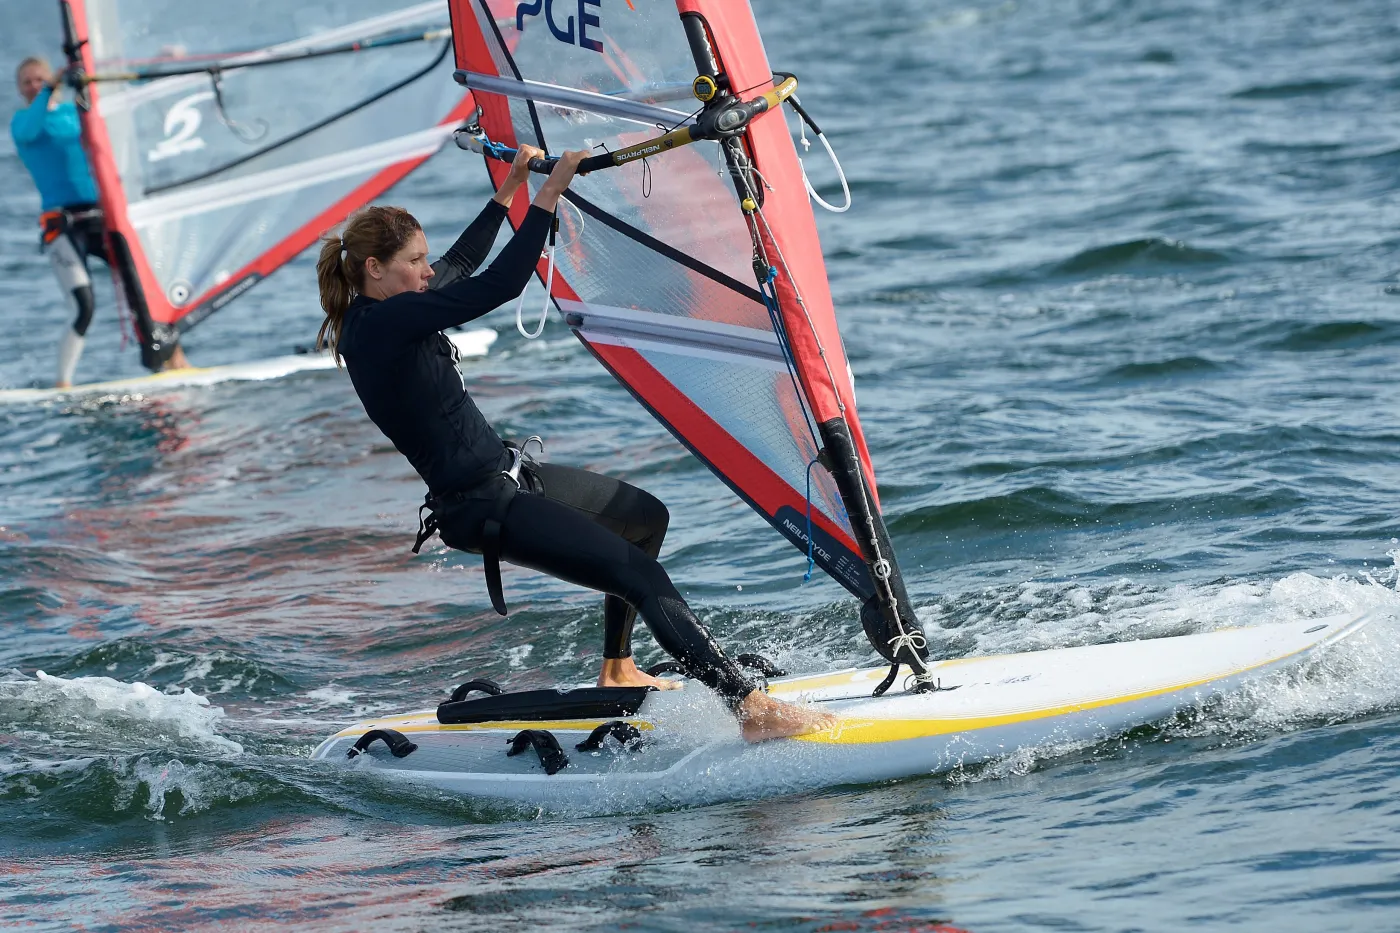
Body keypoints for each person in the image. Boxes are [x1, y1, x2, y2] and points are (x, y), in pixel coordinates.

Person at [315, 146, 835, 742]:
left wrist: (508, 189)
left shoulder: (391, 309)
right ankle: (749, 710)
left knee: (643, 519)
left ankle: (618, 667)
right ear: (375, 269)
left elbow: (459, 264)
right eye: (415, 261)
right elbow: (500, 285)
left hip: (507, 477)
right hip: (481, 506)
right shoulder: (381, 327)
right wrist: (549, 193)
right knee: (642, 577)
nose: (428, 271)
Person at [11, 56, 189, 387]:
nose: (34, 86)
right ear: (20, 89)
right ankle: (63, 383)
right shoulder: (22, 123)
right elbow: (33, 127)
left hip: (103, 217)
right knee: (84, 306)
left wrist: (156, 68)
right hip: (63, 227)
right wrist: (50, 87)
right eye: (27, 82)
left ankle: (173, 361)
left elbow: (116, 97)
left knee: (148, 290)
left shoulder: (74, 113)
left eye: (39, 79)